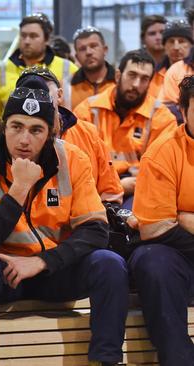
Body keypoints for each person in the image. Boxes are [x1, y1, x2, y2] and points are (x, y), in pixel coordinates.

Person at [0, 76, 128, 366]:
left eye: (36, 130)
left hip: (55, 269)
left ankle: (107, 360)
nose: (25, 139)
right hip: (4, 270)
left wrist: (44, 261)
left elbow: (96, 230)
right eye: (16, 127)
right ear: (3, 126)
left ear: (51, 132)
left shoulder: (72, 157)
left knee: (110, 264)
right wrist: (18, 190)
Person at [129, 75, 194, 366]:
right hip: (174, 254)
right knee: (153, 262)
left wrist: (184, 217)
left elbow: (172, 219)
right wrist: (178, 219)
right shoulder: (162, 151)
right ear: (183, 111)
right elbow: (155, 228)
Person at [74, 49, 177, 209]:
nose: (136, 84)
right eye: (132, 75)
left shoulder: (162, 118)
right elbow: (78, 165)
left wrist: (132, 184)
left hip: (140, 189)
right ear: (117, 76)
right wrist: (117, 185)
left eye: (144, 79)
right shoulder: (87, 110)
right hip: (93, 187)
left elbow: (161, 173)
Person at [22, 66, 123, 204]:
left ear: (59, 95)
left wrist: (98, 220)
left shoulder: (88, 134)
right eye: (27, 91)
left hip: (87, 219)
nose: (35, 98)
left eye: (43, 91)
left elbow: (110, 191)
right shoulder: (9, 140)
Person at [0, 13, 77, 138]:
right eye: (23, 35)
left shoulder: (68, 68)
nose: (26, 41)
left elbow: (79, 110)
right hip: (14, 144)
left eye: (33, 36)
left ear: (46, 39)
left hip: (62, 139)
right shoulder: (1, 72)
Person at [69, 26, 116, 110]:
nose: (88, 52)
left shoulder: (119, 81)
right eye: (82, 49)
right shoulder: (66, 85)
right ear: (77, 57)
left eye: (93, 46)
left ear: (105, 50)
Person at [149, 19, 193, 99]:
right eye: (171, 41)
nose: (176, 47)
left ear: (191, 45)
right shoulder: (154, 75)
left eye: (181, 41)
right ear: (164, 46)